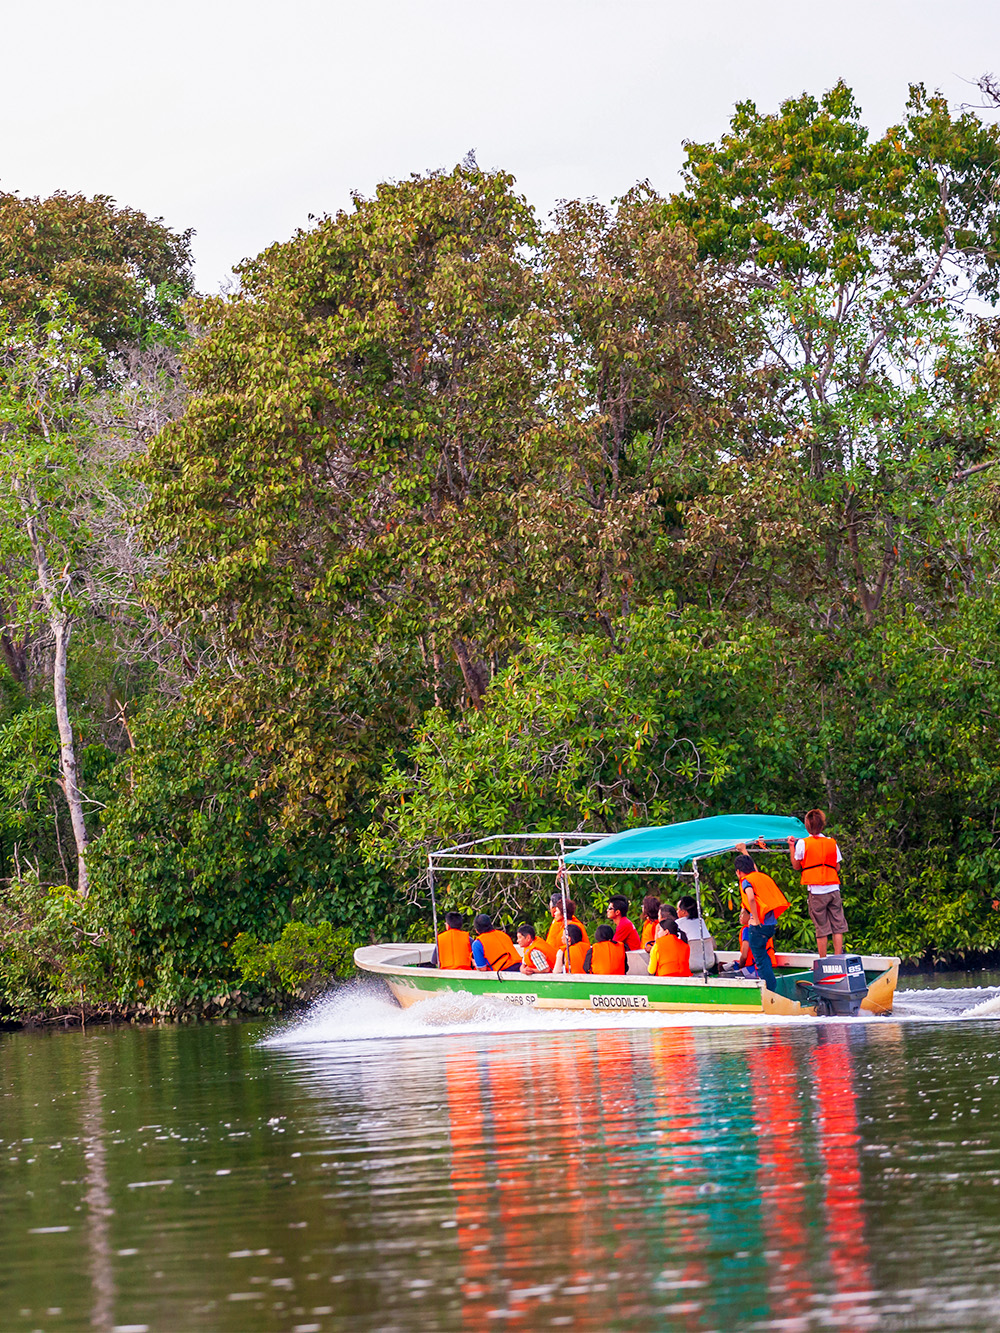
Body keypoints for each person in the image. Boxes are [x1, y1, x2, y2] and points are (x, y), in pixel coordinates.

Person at [788, 808, 847, 958]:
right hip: (833, 889)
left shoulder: (802, 843)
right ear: (822, 825)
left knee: (822, 927)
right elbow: (837, 866)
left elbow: (796, 865)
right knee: (837, 926)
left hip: (816, 891)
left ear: (807, 826)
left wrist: (791, 846)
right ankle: (838, 957)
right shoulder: (831, 842)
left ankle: (823, 960)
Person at [733, 847, 790, 992]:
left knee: (761, 959)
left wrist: (756, 919)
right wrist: (744, 851)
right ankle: (770, 987)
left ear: (738, 872)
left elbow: (751, 897)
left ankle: (769, 990)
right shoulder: (757, 877)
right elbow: (754, 869)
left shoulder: (746, 881)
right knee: (763, 957)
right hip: (770, 925)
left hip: (759, 925)